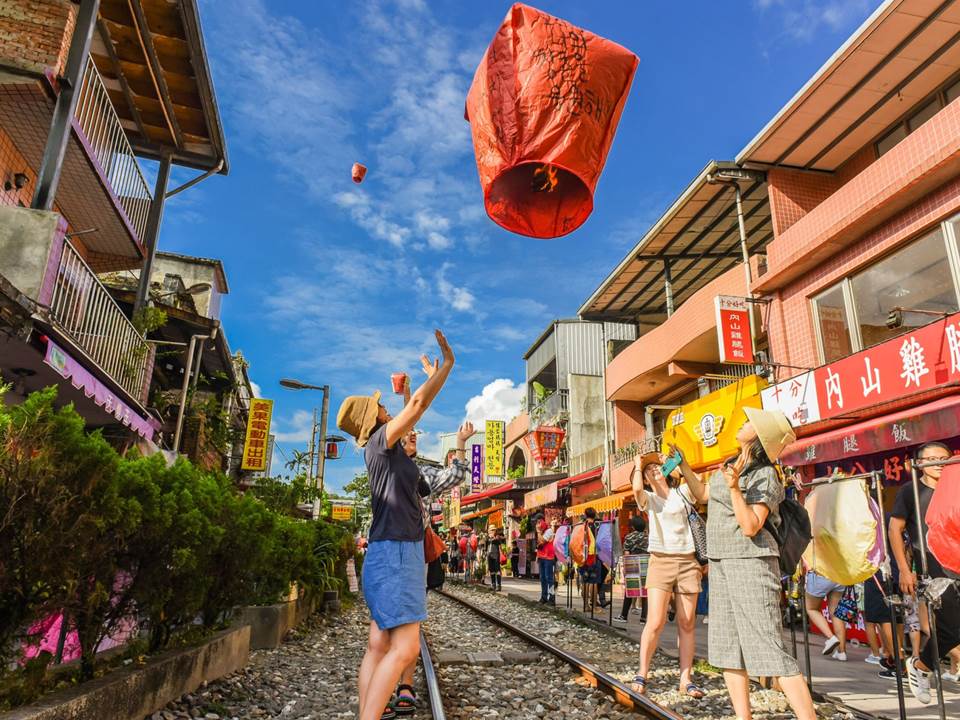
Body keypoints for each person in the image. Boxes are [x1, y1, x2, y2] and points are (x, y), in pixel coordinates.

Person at [337, 329, 454, 720]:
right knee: (404, 649)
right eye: (382, 407)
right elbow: (418, 406)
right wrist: (447, 367)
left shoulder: (382, 450)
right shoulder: (381, 443)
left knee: (378, 644)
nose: (386, 407)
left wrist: (410, 392)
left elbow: (410, 414)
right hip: (399, 552)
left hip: (386, 551)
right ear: (375, 420)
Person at [679, 407, 816, 720]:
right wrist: (685, 465)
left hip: (751, 561)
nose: (741, 422)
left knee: (770, 648)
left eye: (748, 422)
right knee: (728, 647)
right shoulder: (728, 465)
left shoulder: (765, 474)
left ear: (759, 437)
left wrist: (734, 488)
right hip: (721, 560)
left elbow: (751, 525)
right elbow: (702, 495)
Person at [390, 417, 475, 718]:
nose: (413, 435)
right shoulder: (381, 463)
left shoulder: (421, 471)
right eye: (406, 432)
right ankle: (386, 682)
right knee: (387, 623)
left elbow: (454, 477)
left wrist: (462, 443)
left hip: (414, 551)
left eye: (415, 433)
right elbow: (408, 410)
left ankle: (405, 685)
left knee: (410, 621)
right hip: (386, 550)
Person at [889, 440, 960, 704]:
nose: (939, 463)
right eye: (932, 459)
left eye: (944, 457)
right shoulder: (910, 492)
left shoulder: (956, 488)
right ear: (919, 464)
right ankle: (921, 667)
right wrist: (904, 570)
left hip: (958, 562)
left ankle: (921, 667)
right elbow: (895, 529)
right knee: (952, 629)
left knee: (949, 632)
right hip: (934, 570)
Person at [629, 452, 703, 698]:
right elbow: (637, 491)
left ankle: (686, 679)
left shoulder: (682, 492)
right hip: (660, 560)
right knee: (656, 620)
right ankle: (642, 673)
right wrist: (639, 466)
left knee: (687, 621)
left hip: (688, 561)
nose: (653, 470)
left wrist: (680, 462)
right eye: (648, 470)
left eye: (656, 467)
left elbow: (700, 489)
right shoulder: (648, 498)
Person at [803, 570, 849, 661]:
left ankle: (831, 638)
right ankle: (842, 652)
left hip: (820, 574)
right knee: (836, 613)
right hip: (840, 575)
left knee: (811, 609)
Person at [615, 514, 649, 623]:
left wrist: (624, 568)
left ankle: (624, 616)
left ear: (633, 526)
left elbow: (626, 553)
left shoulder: (629, 537)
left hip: (633, 562)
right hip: (646, 563)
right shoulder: (648, 537)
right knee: (645, 591)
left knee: (630, 590)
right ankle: (644, 618)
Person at [536, 514, 557, 604]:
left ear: (543, 521)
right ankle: (544, 597)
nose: (538, 524)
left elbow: (542, 541)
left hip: (548, 558)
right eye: (537, 522)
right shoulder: (542, 531)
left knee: (549, 578)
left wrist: (538, 532)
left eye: (539, 522)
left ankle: (552, 597)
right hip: (542, 557)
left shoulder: (549, 531)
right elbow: (539, 544)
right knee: (542, 578)